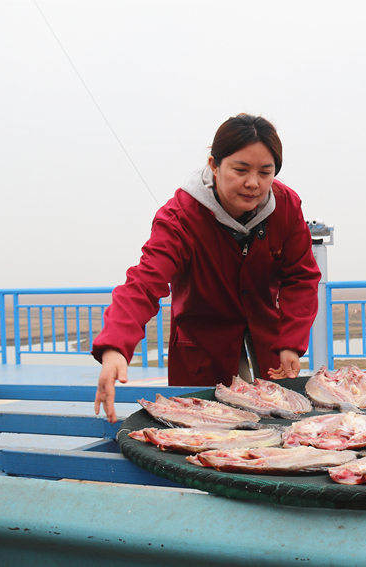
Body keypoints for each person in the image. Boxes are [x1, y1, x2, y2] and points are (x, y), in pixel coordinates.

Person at [93, 114, 322, 423]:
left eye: (265, 172)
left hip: (268, 338)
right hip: (204, 345)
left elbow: (301, 276)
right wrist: (115, 346)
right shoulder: (181, 217)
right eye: (240, 170)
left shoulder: (285, 207)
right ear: (214, 165)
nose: (253, 183)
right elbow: (145, 282)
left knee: (278, 421)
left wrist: (291, 341)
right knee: (208, 429)